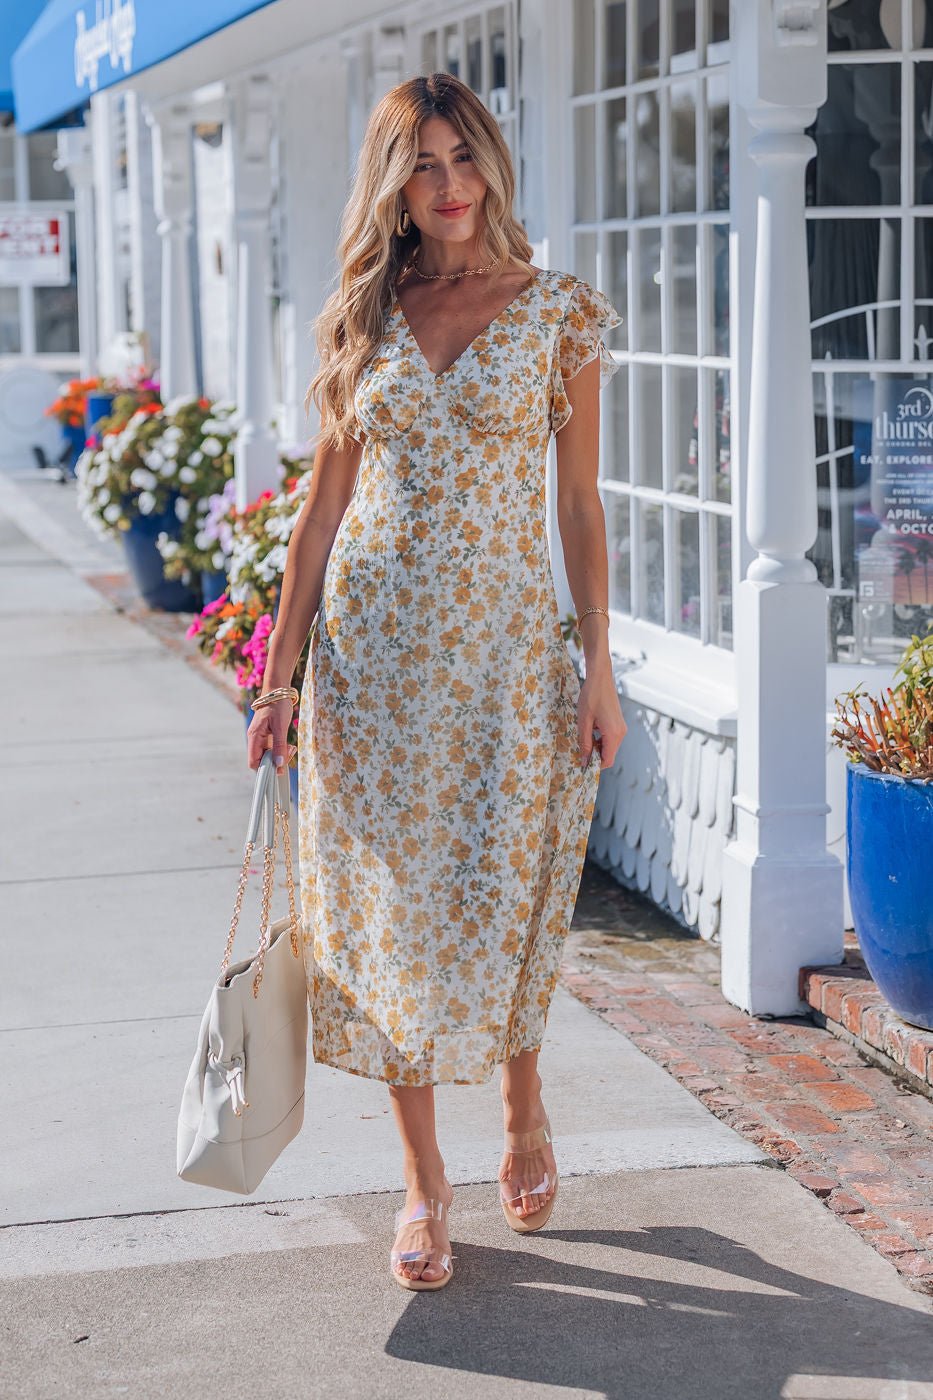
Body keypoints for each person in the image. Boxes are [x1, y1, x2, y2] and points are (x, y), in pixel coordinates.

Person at [247, 71, 627, 1292]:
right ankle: (422, 1181)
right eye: (424, 165)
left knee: (511, 893)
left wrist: (600, 669)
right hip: (371, 669)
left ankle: (522, 1106)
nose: (449, 184)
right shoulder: (366, 314)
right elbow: (320, 515)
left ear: (493, 165)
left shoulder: (559, 313)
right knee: (392, 920)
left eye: (464, 158)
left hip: (510, 665)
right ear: (394, 187)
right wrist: (279, 677)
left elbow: (581, 506)